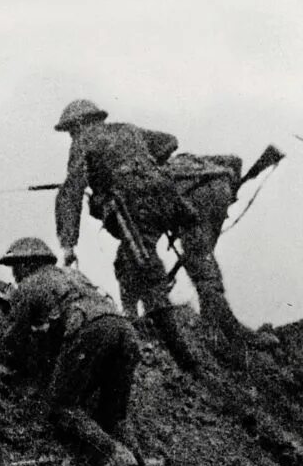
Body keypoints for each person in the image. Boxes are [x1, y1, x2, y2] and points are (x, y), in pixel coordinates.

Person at [52, 98, 205, 370]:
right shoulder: (127, 128)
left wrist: (68, 244)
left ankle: (184, 357)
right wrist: (141, 164)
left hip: (135, 208)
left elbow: (71, 191)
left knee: (146, 270)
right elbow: (169, 141)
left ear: (79, 125)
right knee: (127, 261)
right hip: (169, 200)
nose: (72, 136)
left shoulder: (83, 141)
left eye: (71, 130)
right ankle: (135, 316)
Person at [0, 236, 149, 466]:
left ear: (28, 264)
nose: (14, 274)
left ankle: (115, 456)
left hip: (91, 330)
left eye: (16, 267)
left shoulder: (30, 285)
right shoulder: (73, 275)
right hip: (124, 329)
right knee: (114, 414)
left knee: (62, 406)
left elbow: (14, 339)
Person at [115, 152, 277, 355]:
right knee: (202, 265)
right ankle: (216, 329)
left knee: (199, 266)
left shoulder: (132, 196)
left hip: (193, 195)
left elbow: (134, 259)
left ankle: (228, 336)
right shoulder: (179, 165)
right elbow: (235, 161)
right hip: (210, 188)